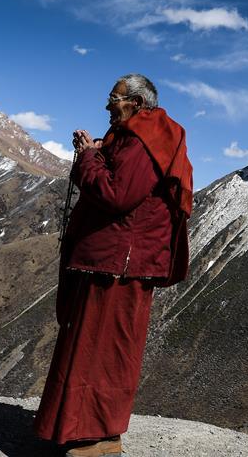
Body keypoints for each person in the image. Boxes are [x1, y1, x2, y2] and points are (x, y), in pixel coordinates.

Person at [34, 74, 192, 457]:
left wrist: (89, 157)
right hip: (113, 261)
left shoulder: (146, 140)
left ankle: (99, 437)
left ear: (136, 103)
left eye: (114, 98)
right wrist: (94, 151)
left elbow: (118, 194)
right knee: (94, 346)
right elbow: (116, 176)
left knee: (103, 351)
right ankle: (82, 432)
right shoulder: (136, 137)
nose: (107, 105)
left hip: (122, 265)